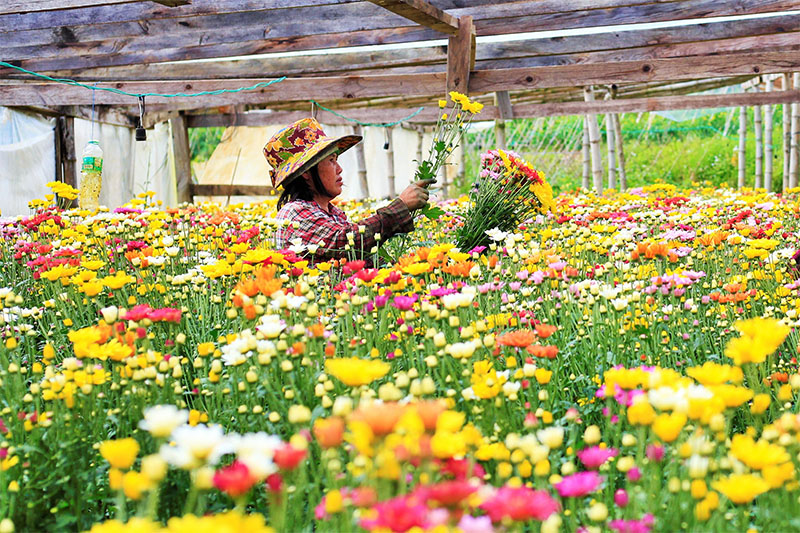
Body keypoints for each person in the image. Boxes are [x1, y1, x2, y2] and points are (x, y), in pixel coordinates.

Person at [263, 117, 432, 265]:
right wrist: (399, 208)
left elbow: (361, 257)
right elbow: (345, 244)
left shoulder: (333, 213)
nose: (339, 169)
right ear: (306, 172)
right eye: (331, 161)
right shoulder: (295, 213)